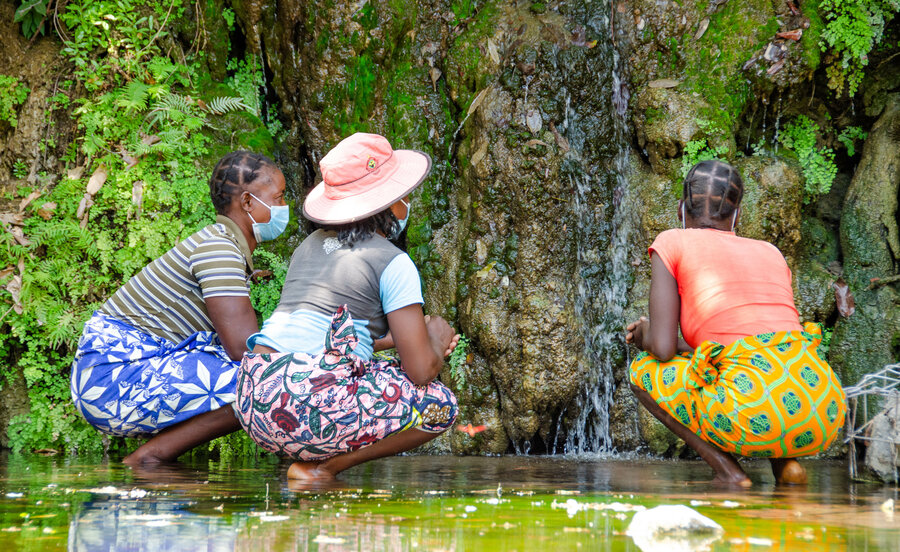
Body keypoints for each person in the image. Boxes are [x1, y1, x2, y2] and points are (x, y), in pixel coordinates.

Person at [234, 132, 459, 482]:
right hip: (307, 399)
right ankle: (321, 470)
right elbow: (420, 372)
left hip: (253, 397)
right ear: (387, 203)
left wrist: (399, 341)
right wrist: (436, 339)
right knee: (440, 405)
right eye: (403, 194)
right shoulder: (393, 262)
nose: (407, 201)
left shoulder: (308, 246)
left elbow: (320, 337)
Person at [625, 160, 846, 487]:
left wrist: (644, 334)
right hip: (819, 408)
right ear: (738, 216)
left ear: (679, 210)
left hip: (748, 409)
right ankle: (788, 467)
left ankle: (729, 473)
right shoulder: (770, 252)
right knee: (763, 364)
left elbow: (662, 349)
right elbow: (744, 344)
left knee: (642, 373)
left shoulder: (672, 242)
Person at [70, 151, 288, 465]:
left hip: (122, 371)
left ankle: (153, 460)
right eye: (278, 198)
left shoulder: (221, 244)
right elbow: (245, 350)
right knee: (263, 379)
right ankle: (150, 458)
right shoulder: (219, 249)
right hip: (111, 379)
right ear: (248, 203)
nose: (284, 208)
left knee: (265, 372)